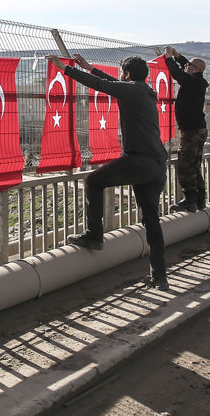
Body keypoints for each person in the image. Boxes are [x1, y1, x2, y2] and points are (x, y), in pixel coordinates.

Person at [47, 53, 170, 291]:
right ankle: (160, 276)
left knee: (93, 181)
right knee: (151, 220)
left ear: (126, 74)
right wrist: (90, 67)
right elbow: (112, 84)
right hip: (157, 164)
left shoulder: (132, 90)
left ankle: (94, 235)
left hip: (139, 161)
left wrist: (65, 69)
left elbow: (104, 86)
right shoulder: (144, 91)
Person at [163, 47, 209, 213]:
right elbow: (185, 67)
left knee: (184, 165)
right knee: (194, 165)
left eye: (189, 65)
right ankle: (200, 199)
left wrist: (168, 59)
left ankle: (190, 199)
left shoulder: (192, 82)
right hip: (196, 129)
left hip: (192, 130)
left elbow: (178, 74)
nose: (186, 66)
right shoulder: (196, 80)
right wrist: (177, 56)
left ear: (195, 70)